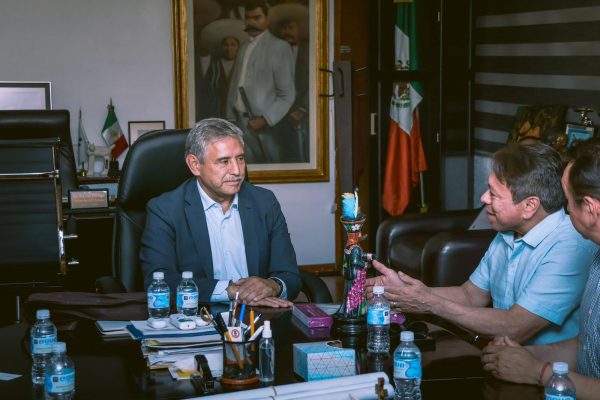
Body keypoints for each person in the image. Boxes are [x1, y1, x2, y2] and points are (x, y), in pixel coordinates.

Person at [367, 143, 598, 344]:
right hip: (502, 360)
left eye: (493, 194)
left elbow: (515, 327)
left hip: (546, 372)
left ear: (529, 206)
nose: (483, 198)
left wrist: (429, 303)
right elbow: (470, 295)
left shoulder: (571, 245)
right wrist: (403, 292)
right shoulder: (509, 231)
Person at [482, 140, 600, 398]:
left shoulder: (577, 246)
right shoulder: (597, 257)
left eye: (567, 200)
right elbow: (588, 348)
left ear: (591, 208)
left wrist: (540, 372)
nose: (564, 210)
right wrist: (520, 356)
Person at [140, 118, 301, 307]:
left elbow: (290, 275)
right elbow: (160, 282)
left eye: (240, 158)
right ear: (194, 165)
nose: (237, 171)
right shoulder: (165, 209)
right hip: (198, 316)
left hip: (258, 313)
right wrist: (231, 291)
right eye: (224, 161)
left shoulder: (265, 202)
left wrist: (273, 286)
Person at [226, 0, 295, 163]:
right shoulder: (243, 47)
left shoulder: (280, 47)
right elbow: (234, 85)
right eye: (248, 18)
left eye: (256, 18)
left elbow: (287, 95)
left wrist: (265, 120)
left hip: (264, 128)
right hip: (238, 124)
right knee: (244, 171)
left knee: (268, 170)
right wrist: (230, 120)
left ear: (267, 19)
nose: (251, 22)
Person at [271, 3, 309, 162]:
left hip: (306, 115)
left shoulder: (310, 51)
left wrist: (303, 109)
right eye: (283, 28)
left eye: (291, 27)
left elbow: (316, 82)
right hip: (279, 116)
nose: (286, 32)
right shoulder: (273, 54)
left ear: (299, 29)